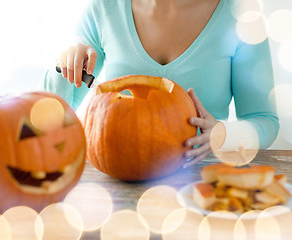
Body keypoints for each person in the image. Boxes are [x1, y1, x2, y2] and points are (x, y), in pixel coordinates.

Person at [40, 0, 279, 167]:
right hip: (115, 177)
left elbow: (265, 121)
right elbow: (52, 118)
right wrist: (64, 65)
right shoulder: (104, 7)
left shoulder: (242, 16)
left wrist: (222, 134)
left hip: (202, 182)